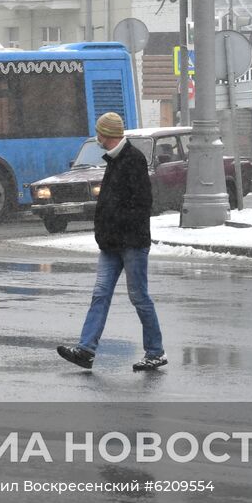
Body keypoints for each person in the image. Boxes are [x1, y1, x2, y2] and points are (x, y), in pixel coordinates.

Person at [57, 112, 167, 372]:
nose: (97, 137)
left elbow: (141, 205)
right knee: (100, 294)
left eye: (99, 132)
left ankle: (155, 352)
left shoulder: (133, 160)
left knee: (139, 297)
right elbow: (108, 204)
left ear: (106, 134)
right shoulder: (114, 160)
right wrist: (103, 232)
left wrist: (117, 228)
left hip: (131, 243)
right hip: (111, 244)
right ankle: (85, 350)